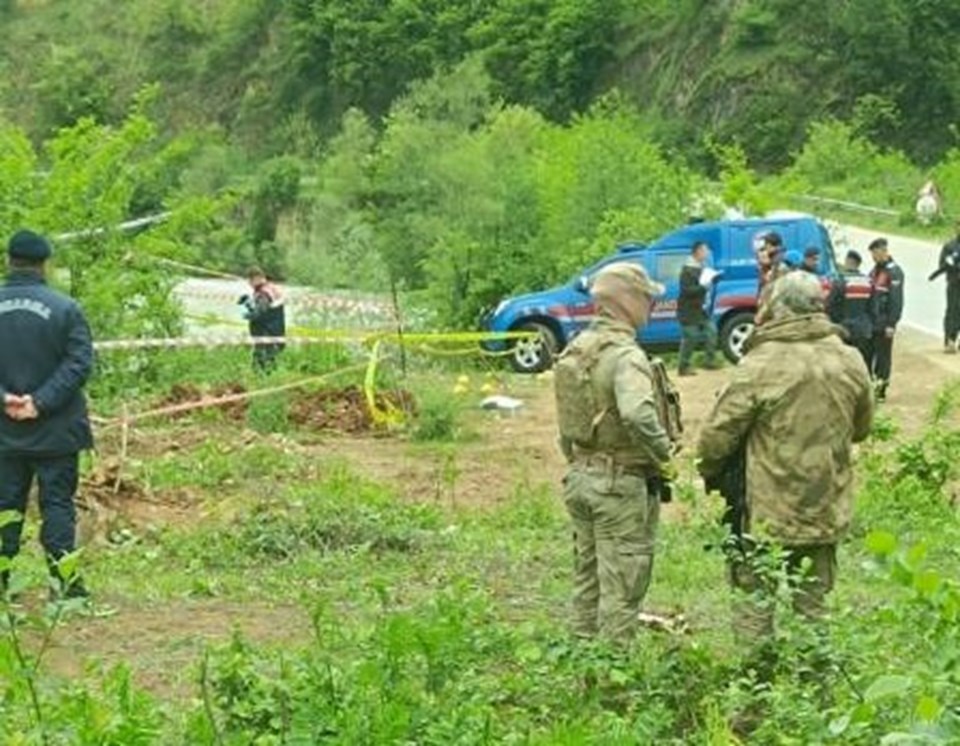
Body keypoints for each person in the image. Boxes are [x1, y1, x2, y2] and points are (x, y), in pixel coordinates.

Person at [697, 272, 873, 680]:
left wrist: (708, 470)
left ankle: (756, 710)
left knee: (754, 610)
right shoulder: (849, 359)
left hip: (762, 514)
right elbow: (861, 428)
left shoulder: (760, 363)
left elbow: (716, 437)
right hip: (824, 508)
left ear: (775, 307)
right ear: (819, 306)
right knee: (814, 610)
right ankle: (819, 710)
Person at [554, 262, 673, 645]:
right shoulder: (626, 356)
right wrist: (663, 454)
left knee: (587, 583)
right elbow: (638, 413)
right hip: (619, 485)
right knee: (622, 588)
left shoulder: (577, 349)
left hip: (580, 477)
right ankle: (614, 692)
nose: (651, 306)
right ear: (626, 301)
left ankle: (583, 669)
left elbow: (567, 426)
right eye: (646, 298)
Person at [0, 230, 94, 600]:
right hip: (56, 431)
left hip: (3, 431)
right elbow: (79, 363)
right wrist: (40, 401)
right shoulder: (66, 308)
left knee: (4, 507)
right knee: (57, 505)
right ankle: (65, 587)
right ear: (45, 264)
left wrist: (6, 400)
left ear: (9, 261)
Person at [868, 238, 904, 401]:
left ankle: (881, 389)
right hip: (872, 321)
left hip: (884, 322)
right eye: (872, 254)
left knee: (883, 357)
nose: (873, 257)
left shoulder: (894, 272)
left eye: (875, 253)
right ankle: (871, 385)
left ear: (883, 251)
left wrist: (892, 323)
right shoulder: (874, 271)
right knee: (870, 354)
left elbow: (896, 300)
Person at [827, 250, 876, 368]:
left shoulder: (841, 281)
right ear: (858, 264)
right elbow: (874, 309)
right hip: (863, 332)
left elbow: (830, 305)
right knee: (863, 366)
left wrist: (835, 323)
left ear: (848, 261)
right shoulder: (869, 282)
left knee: (843, 366)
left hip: (844, 330)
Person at [676, 241, 719, 376]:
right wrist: (703, 287)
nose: (706, 254)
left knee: (712, 331)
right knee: (690, 337)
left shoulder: (702, 267)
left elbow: (705, 282)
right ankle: (683, 366)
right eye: (705, 251)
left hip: (701, 309)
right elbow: (686, 290)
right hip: (688, 310)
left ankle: (709, 361)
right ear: (697, 252)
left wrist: (714, 279)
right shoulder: (687, 270)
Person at [238, 267, 286, 372]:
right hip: (275, 331)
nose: (249, 284)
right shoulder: (271, 288)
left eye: (250, 280)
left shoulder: (264, 292)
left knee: (263, 361)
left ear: (257, 278)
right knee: (270, 360)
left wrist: (246, 315)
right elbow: (265, 309)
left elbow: (259, 312)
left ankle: (261, 379)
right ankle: (268, 377)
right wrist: (247, 302)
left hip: (266, 332)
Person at [930, 222, 960, 353]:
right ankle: (950, 340)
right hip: (955, 284)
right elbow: (942, 265)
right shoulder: (950, 246)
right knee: (953, 312)